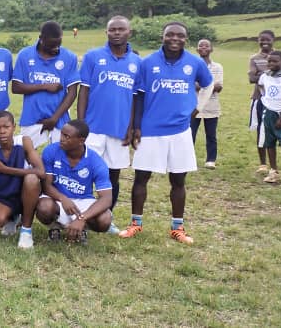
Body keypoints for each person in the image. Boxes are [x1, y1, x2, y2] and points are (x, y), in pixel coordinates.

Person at [120, 22, 213, 245]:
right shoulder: (148, 62)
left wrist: (199, 107)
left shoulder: (194, 62)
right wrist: (136, 126)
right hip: (151, 131)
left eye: (179, 35)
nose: (174, 38)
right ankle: (136, 223)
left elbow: (208, 84)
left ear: (186, 38)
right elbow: (138, 96)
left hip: (180, 131)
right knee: (141, 178)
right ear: (162, 37)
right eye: (169, 34)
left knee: (178, 180)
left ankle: (177, 227)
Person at [76, 15, 140, 230]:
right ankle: (80, 215)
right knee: (84, 172)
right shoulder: (93, 56)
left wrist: (131, 127)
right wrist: (81, 124)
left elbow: (134, 99)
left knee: (113, 176)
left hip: (119, 130)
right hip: (93, 128)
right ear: (106, 32)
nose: (116, 33)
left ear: (129, 32)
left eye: (121, 29)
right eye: (112, 30)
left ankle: (107, 217)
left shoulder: (137, 62)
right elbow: (83, 90)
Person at [35, 120, 113, 245]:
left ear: (81, 140)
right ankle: (54, 227)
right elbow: (46, 186)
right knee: (44, 207)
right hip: (57, 198)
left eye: (67, 137)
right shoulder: (51, 151)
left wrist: (82, 218)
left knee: (105, 220)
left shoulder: (96, 161)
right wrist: (63, 198)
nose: (61, 139)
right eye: (62, 134)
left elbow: (107, 199)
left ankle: (81, 228)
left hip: (83, 201)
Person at [11, 21, 80, 148]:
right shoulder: (25, 55)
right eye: (52, 45)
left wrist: (54, 118)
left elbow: (72, 93)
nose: (56, 48)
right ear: (41, 39)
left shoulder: (70, 57)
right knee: (26, 157)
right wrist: (45, 86)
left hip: (59, 119)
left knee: (61, 158)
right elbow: (16, 87)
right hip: (32, 117)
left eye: (58, 44)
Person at [0, 111, 44, 249]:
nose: (2, 131)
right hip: (5, 197)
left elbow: (41, 172)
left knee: (32, 178)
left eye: (6, 127)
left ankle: (26, 230)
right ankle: (12, 217)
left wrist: (5, 170)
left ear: (14, 127)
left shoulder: (24, 141)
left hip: (26, 193)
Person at [255, 51, 281, 184]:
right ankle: (273, 171)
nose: (272, 63)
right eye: (270, 61)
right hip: (268, 112)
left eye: (275, 61)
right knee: (269, 142)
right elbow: (260, 87)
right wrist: (266, 100)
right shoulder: (265, 76)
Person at [191, 39, 223, 169]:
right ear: (197, 49)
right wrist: (209, 85)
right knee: (190, 134)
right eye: (200, 45)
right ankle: (189, 159)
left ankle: (211, 159)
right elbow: (191, 85)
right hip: (194, 105)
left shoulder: (217, 67)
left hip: (212, 106)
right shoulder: (192, 65)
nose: (203, 47)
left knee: (211, 135)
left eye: (206, 45)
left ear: (211, 49)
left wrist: (202, 85)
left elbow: (219, 87)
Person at [248, 30, 275, 175]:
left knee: (275, 129)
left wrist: (260, 73)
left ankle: (274, 164)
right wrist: (271, 72)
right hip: (259, 98)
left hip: (277, 100)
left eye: (267, 39)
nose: (265, 42)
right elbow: (251, 78)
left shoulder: (280, 56)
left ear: (273, 40)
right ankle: (263, 163)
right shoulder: (254, 58)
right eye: (261, 39)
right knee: (260, 130)